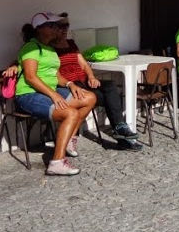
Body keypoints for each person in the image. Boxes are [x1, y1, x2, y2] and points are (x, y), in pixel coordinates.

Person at [13, 12, 97, 176]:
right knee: (71, 113)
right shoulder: (31, 47)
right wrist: (54, 95)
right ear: (40, 29)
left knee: (89, 97)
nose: (57, 29)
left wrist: (70, 84)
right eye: (52, 26)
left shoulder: (50, 48)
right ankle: (57, 162)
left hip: (48, 91)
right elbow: (30, 77)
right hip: (29, 94)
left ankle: (68, 139)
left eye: (57, 26)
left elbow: (55, 74)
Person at [49, 13, 142, 149]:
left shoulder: (71, 43)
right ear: (53, 28)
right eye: (60, 26)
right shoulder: (50, 47)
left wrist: (91, 77)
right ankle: (122, 134)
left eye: (66, 25)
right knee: (109, 99)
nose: (64, 29)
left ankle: (120, 130)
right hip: (72, 86)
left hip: (84, 81)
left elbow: (84, 64)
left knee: (110, 85)